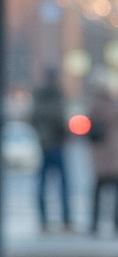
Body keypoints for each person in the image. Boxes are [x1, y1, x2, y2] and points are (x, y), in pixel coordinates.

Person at [84, 86, 118, 234]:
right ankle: (117, 224)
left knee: (99, 192)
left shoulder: (93, 108)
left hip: (102, 159)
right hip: (115, 157)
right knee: (117, 192)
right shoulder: (117, 107)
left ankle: (94, 224)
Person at [31, 71, 71, 230]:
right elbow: (58, 118)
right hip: (52, 143)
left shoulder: (41, 98)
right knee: (61, 183)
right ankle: (60, 219)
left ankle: (47, 219)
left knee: (48, 183)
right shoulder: (53, 97)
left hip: (47, 143)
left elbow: (34, 119)